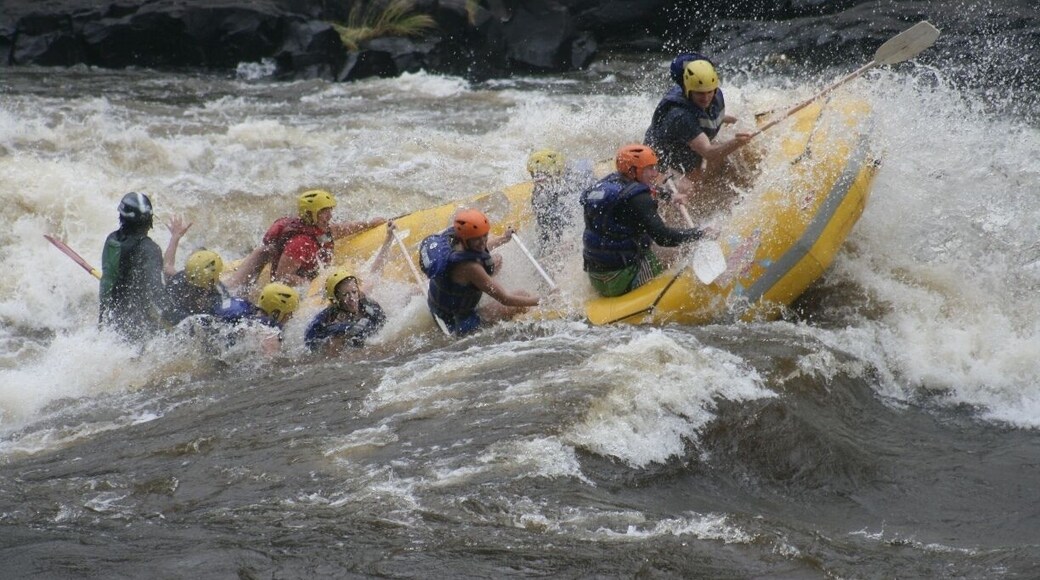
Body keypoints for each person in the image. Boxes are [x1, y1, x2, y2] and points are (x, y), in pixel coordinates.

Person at [580, 144, 707, 297]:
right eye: (650, 168)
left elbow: (635, 190)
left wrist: (669, 196)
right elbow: (664, 238)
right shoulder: (639, 199)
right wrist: (700, 233)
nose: (655, 173)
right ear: (632, 171)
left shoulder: (605, 185)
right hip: (619, 280)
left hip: (596, 276)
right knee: (667, 253)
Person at [644, 55, 753, 214]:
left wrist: (729, 120)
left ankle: (719, 194)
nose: (706, 97)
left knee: (725, 160)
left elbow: (708, 116)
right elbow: (709, 153)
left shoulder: (714, 95)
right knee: (687, 188)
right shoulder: (680, 116)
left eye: (709, 92)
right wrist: (736, 142)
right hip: (662, 160)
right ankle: (674, 216)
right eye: (700, 93)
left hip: (685, 147)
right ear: (688, 90)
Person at [227, 189, 386, 290]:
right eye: (324, 212)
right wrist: (311, 284)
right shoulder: (300, 243)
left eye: (329, 210)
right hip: (294, 290)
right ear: (310, 214)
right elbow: (281, 278)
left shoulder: (319, 229)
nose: (329, 215)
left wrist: (369, 224)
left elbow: (341, 229)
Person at [419, 208, 541, 336]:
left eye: (485, 236)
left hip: (437, 306)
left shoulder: (455, 241)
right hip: (459, 322)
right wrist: (541, 300)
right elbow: (505, 299)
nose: (483, 241)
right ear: (465, 239)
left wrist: (504, 238)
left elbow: (480, 248)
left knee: (496, 260)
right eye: (477, 239)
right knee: (523, 295)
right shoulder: (470, 268)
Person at [303, 221, 399, 353]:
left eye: (353, 292)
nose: (352, 298)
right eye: (345, 295)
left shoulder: (361, 298)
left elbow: (375, 273)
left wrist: (389, 237)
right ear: (336, 299)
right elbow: (335, 357)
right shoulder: (335, 326)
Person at [99, 191, 167, 341]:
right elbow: (156, 292)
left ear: (121, 217)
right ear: (149, 220)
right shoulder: (150, 249)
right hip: (139, 325)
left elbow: (107, 282)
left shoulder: (112, 240)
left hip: (112, 320)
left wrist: (102, 321)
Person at [161, 215, 235, 326]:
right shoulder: (218, 297)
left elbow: (167, 266)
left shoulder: (177, 281)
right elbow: (236, 282)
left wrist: (175, 237)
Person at [525, 149, 594, 251]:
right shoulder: (539, 196)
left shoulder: (574, 182)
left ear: (556, 172)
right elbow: (544, 227)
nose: (537, 179)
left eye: (542, 174)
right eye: (534, 175)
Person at [215, 282, 300, 356]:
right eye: (289, 314)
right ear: (276, 313)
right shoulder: (268, 328)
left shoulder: (249, 310)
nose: (291, 317)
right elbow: (270, 359)